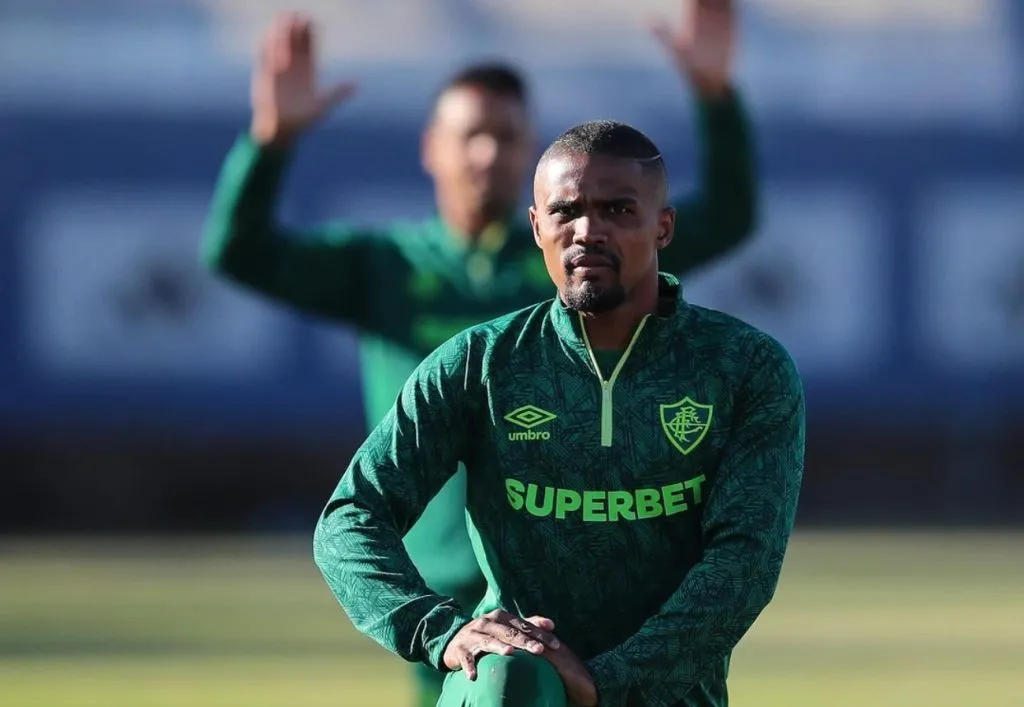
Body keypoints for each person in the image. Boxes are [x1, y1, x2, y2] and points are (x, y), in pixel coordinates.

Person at [203, 1, 757, 703]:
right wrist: (269, 144)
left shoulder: (586, 264)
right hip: (435, 574)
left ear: (531, 154)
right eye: (471, 135)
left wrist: (716, 99)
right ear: (431, 146)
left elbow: (728, 215)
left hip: (564, 562)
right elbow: (238, 252)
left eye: (507, 135)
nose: (489, 152)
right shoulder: (389, 266)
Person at [313, 119, 806, 707]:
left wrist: (608, 682)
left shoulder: (745, 368)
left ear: (664, 227)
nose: (588, 231)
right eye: (565, 212)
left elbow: (743, 564)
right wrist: (438, 630)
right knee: (508, 679)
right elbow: (350, 517)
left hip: (665, 696)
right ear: (536, 227)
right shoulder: (481, 364)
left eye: (619, 211)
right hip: (515, 689)